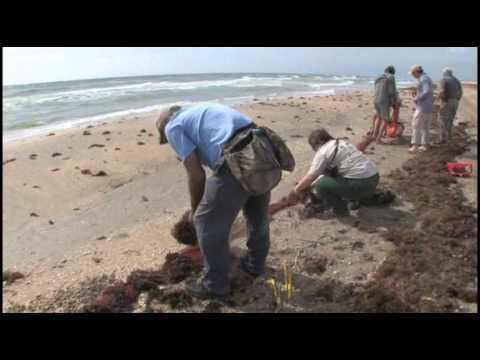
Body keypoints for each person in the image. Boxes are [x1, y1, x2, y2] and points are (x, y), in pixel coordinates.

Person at [156, 103, 274, 301]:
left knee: (205, 221)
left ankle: (215, 285)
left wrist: (195, 211)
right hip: (263, 148)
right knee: (257, 213)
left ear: (164, 126)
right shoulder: (200, 112)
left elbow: (196, 174)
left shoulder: (172, 127)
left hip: (237, 155)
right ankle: (256, 265)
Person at [286, 128, 379, 218]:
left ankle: (339, 211)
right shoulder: (342, 143)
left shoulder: (323, 152)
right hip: (374, 178)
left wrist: (295, 191)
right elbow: (355, 157)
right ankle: (354, 199)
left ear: (317, 143)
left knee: (321, 185)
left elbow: (311, 176)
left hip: (361, 185)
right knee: (336, 174)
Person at [408, 65, 434, 153]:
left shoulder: (423, 79)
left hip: (422, 106)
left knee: (416, 125)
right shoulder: (426, 78)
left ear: (416, 72)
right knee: (425, 127)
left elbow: (426, 91)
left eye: (412, 74)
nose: (412, 75)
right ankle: (425, 145)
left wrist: (417, 98)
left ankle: (415, 146)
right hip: (428, 106)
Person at [372, 65, 398, 144]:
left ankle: (374, 136)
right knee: (386, 120)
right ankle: (378, 139)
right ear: (393, 72)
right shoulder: (391, 77)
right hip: (384, 100)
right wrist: (394, 102)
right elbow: (391, 91)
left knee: (378, 118)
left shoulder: (378, 77)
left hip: (376, 99)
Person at [437, 67, 463, 144]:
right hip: (455, 101)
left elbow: (442, 91)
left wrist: (438, 99)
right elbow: (461, 92)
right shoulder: (456, 80)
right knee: (450, 120)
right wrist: (457, 99)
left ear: (444, 73)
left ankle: (443, 139)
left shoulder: (444, 79)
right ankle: (449, 138)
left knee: (442, 120)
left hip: (447, 101)